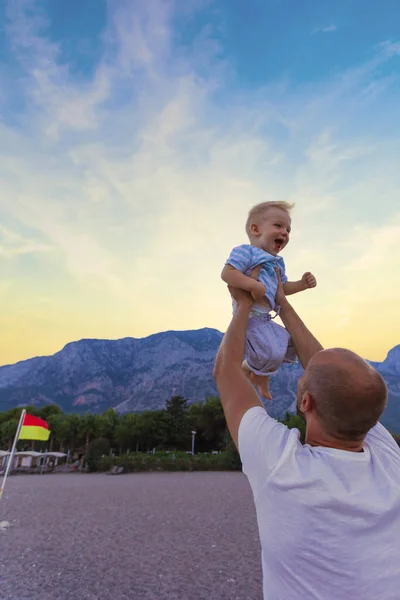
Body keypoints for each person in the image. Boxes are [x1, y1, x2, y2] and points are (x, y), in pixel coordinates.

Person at [213, 271, 400, 600]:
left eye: (304, 381)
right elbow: (328, 374)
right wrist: (281, 302)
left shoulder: (283, 467)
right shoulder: (388, 458)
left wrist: (243, 304)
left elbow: (226, 371)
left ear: (305, 402)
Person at [221, 201, 316, 400]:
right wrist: (251, 285)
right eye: (278, 226)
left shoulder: (277, 263)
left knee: (292, 344)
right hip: (250, 318)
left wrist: (301, 284)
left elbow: (282, 289)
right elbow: (227, 273)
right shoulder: (245, 252)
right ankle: (251, 370)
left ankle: (260, 376)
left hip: (266, 318)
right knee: (269, 353)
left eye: (288, 229)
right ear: (255, 229)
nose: (285, 233)